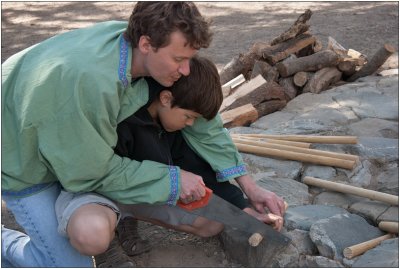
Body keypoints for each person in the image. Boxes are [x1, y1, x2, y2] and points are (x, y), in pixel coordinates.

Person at [1, 2, 285, 267]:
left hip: (77, 158)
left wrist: (249, 187)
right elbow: (89, 173)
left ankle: (119, 215)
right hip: (24, 161)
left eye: (190, 59)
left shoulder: (152, 56)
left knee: (208, 219)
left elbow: (204, 123)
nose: (186, 69)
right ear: (146, 44)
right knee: (66, 261)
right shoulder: (90, 85)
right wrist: (170, 180)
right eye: (179, 59)